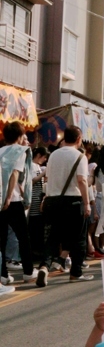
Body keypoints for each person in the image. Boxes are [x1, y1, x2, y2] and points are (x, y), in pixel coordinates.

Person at [40, 125, 92, 287]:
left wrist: (46, 197)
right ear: (78, 139)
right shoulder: (80, 156)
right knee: (78, 238)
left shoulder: (54, 155)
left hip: (53, 200)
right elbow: (82, 180)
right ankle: (76, 273)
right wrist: (87, 202)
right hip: (73, 201)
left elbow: (48, 178)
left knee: (53, 238)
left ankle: (44, 266)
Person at [0, 122, 37, 288]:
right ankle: (28, 272)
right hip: (12, 201)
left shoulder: (0, 151)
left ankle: (3, 275)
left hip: (0, 200)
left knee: (1, 239)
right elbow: (14, 173)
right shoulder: (20, 151)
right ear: (20, 136)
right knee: (23, 237)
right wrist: (9, 197)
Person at [28, 146, 49, 282]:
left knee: (38, 230)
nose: (45, 160)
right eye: (44, 157)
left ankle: (37, 253)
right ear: (40, 155)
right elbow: (31, 181)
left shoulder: (37, 166)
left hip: (38, 203)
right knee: (33, 229)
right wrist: (42, 173)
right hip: (32, 203)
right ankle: (34, 254)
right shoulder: (31, 165)